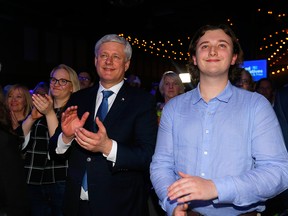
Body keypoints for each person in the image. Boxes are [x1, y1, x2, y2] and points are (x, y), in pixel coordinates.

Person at [150, 24, 288, 216]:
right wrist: (172, 203)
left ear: (233, 58)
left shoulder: (256, 105)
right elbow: (161, 165)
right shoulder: (173, 108)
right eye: (204, 46)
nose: (213, 50)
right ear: (194, 58)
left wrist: (216, 188)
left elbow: (278, 171)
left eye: (222, 45)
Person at [49, 34, 158, 216]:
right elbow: (55, 151)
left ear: (126, 64)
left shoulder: (142, 101)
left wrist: (107, 147)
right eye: (103, 55)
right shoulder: (78, 98)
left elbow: (147, 155)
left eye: (116, 57)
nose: (108, 61)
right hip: (75, 205)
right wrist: (66, 137)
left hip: (119, 206)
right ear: (95, 60)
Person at [21, 64, 80, 216]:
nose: (56, 84)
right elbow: (19, 142)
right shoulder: (41, 107)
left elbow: (58, 145)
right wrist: (31, 118)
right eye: (53, 79)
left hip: (60, 178)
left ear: (72, 87)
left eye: (62, 81)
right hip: (33, 177)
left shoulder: (74, 112)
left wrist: (49, 113)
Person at [0, 97, 30, 216]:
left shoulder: (6, 134)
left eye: (18, 97)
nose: (13, 100)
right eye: (10, 96)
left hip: (12, 195)